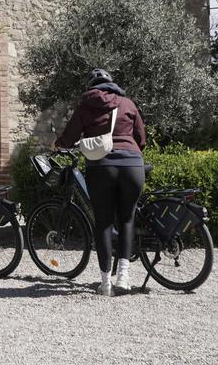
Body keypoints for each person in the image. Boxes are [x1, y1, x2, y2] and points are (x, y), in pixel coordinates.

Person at [56, 68, 148, 296]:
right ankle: (124, 278)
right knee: (127, 219)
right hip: (132, 166)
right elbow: (141, 138)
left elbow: (69, 137)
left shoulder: (85, 106)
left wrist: (58, 145)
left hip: (101, 168)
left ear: (91, 86)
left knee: (104, 223)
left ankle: (106, 282)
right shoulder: (128, 104)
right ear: (112, 84)